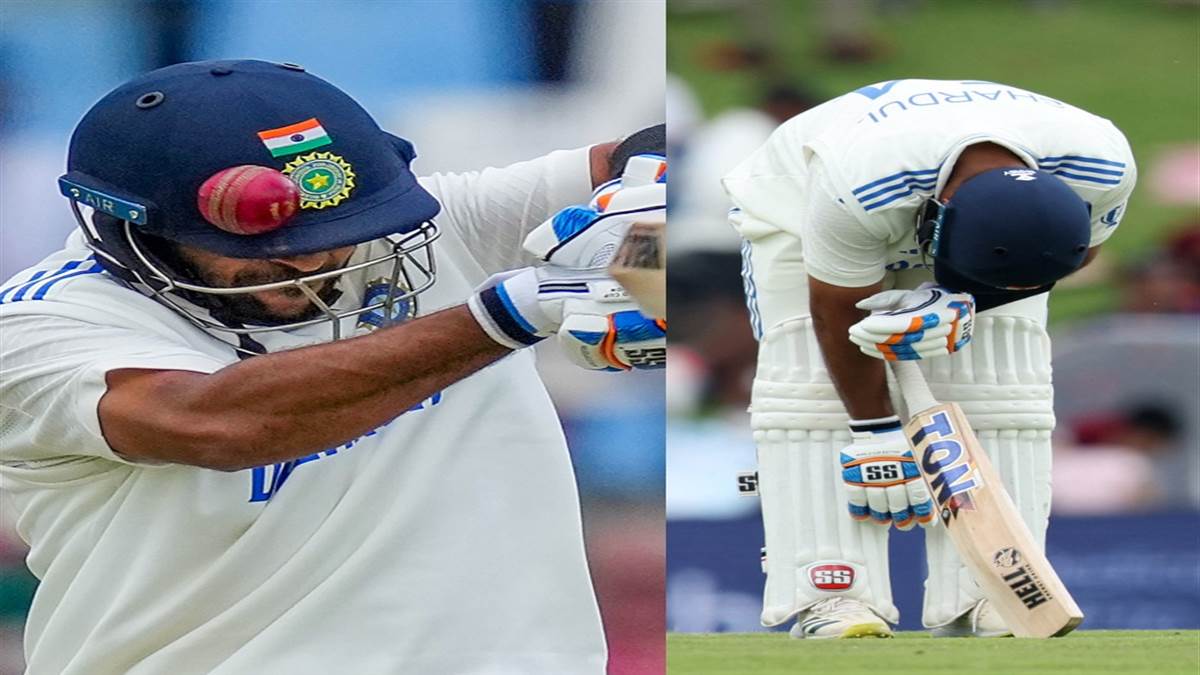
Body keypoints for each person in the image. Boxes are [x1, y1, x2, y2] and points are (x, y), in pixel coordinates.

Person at [0, 59, 665, 674]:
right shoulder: (41, 321)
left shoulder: (421, 228)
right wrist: (511, 314)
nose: (311, 260)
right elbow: (217, 423)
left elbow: (651, 162)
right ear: (134, 225)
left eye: (331, 233)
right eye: (262, 243)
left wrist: (645, 226)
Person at [722, 78, 1135, 638]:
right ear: (936, 218)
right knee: (812, 391)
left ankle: (987, 591)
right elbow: (834, 313)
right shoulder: (859, 183)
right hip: (803, 208)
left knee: (1002, 384)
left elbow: (1072, 256)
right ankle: (831, 594)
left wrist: (962, 301)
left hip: (946, 209)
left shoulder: (1102, 167)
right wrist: (875, 432)